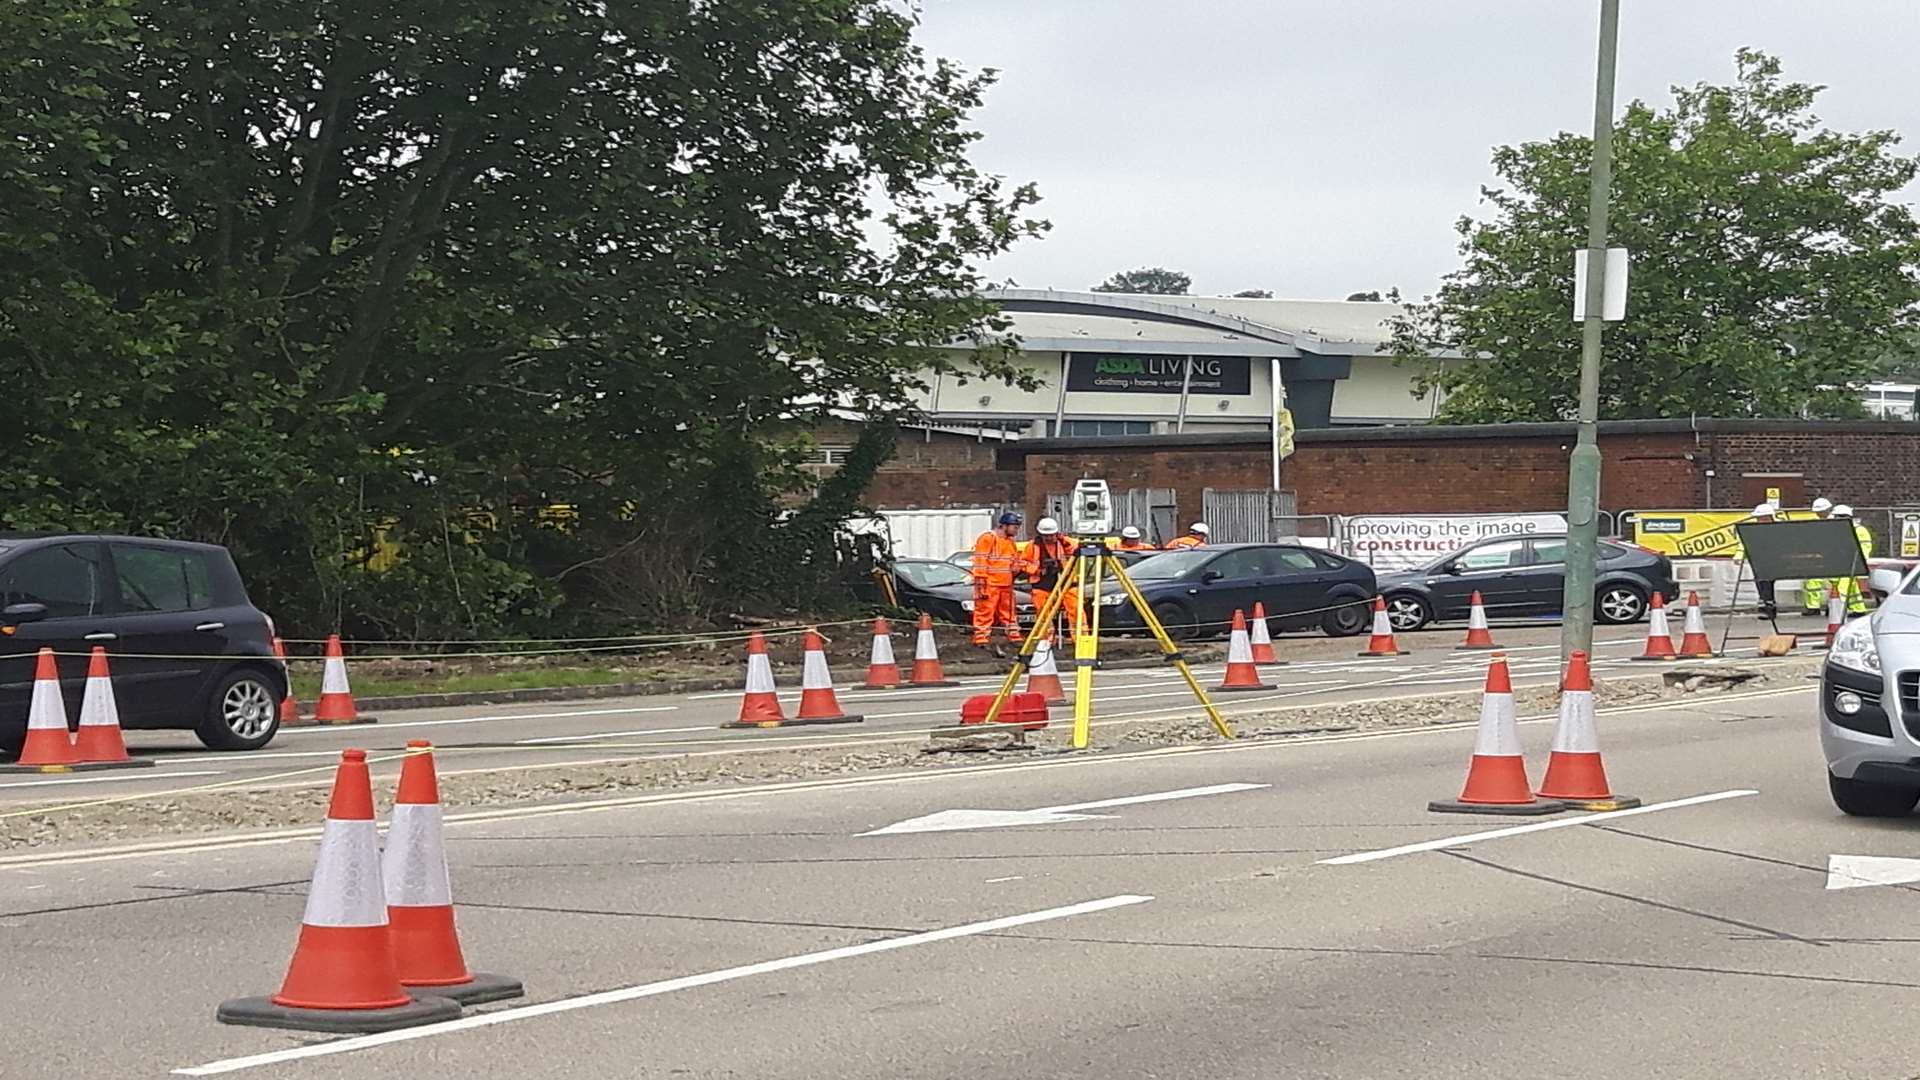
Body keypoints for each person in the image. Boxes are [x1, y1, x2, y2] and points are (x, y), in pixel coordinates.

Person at [969, 511, 1026, 655]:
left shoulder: (1009, 542)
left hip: (1005, 584)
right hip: (989, 584)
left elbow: (1013, 562)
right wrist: (981, 584)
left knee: (1009, 613)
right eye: (1014, 527)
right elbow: (980, 562)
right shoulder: (988, 538)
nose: (1016, 530)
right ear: (1004, 526)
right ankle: (981, 639)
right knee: (984, 612)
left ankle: (1014, 636)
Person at [1026, 517, 1085, 639]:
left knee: (1075, 608)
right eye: (1046, 535)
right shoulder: (1032, 546)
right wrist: (1038, 569)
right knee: (1043, 611)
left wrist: (1064, 543)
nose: (1049, 538)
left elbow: (1078, 551)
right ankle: (1046, 639)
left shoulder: (1066, 543)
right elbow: (1022, 563)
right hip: (1042, 581)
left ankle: (1080, 637)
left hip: (1066, 579)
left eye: (1051, 535)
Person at [1831, 505, 1874, 615]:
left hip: (1853, 563)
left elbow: (1864, 548)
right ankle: (1858, 609)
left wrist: (1858, 563)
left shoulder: (1859, 530)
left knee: (1843, 587)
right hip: (1844, 563)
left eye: (1837, 517)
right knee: (1852, 588)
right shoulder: (1842, 530)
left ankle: (1840, 609)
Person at [1742, 502, 1779, 619]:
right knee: (1761, 583)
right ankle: (1765, 606)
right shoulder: (1756, 530)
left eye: (1759, 518)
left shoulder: (1777, 530)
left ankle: (1769, 609)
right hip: (1758, 560)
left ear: (1767, 517)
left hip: (1771, 561)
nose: (1757, 520)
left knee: (1766, 583)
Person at [1803, 498, 1838, 613]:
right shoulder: (1818, 522)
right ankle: (1813, 607)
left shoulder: (1835, 523)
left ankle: (1832, 605)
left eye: (1820, 511)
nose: (1818, 514)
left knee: (1834, 583)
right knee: (1813, 581)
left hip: (1832, 556)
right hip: (1818, 556)